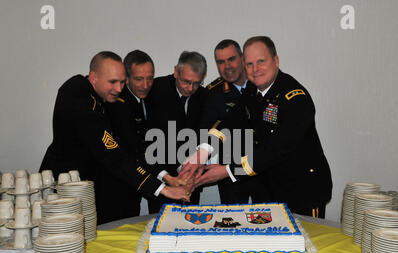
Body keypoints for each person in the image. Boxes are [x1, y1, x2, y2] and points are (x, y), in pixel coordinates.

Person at [181, 36, 333, 218]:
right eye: (250, 64)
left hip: (303, 191)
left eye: (261, 62)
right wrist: (202, 152)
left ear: (275, 60)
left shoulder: (295, 99)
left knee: (306, 244)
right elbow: (231, 121)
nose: (255, 70)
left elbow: (274, 151)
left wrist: (227, 170)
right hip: (273, 189)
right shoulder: (254, 91)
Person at [39, 51, 190, 224]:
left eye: (121, 82)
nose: (118, 89)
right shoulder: (79, 99)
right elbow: (114, 155)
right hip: (64, 190)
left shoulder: (92, 92)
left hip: (88, 186)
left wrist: (164, 179)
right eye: (112, 82)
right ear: (94, 77)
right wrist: (162, 189)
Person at [200, 39, 269, 205]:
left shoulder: (262, 83)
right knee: (233, 224)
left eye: (231, 59)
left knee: (269, 220)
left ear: (242, 58)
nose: (227, 66)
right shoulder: (212, 93)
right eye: (220, 62)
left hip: (264, 168)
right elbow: (207, 131)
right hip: (230, 172)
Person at [145, 51, 208, 213]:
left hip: (191, 179)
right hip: (160, 175)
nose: (191, 88)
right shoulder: (154, 90)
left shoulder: (204, 96)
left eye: (196, 83)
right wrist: (170, 175)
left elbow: (203, 135)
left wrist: (191, 172)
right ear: (175, 71)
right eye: (186, 82)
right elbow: (150, 139)